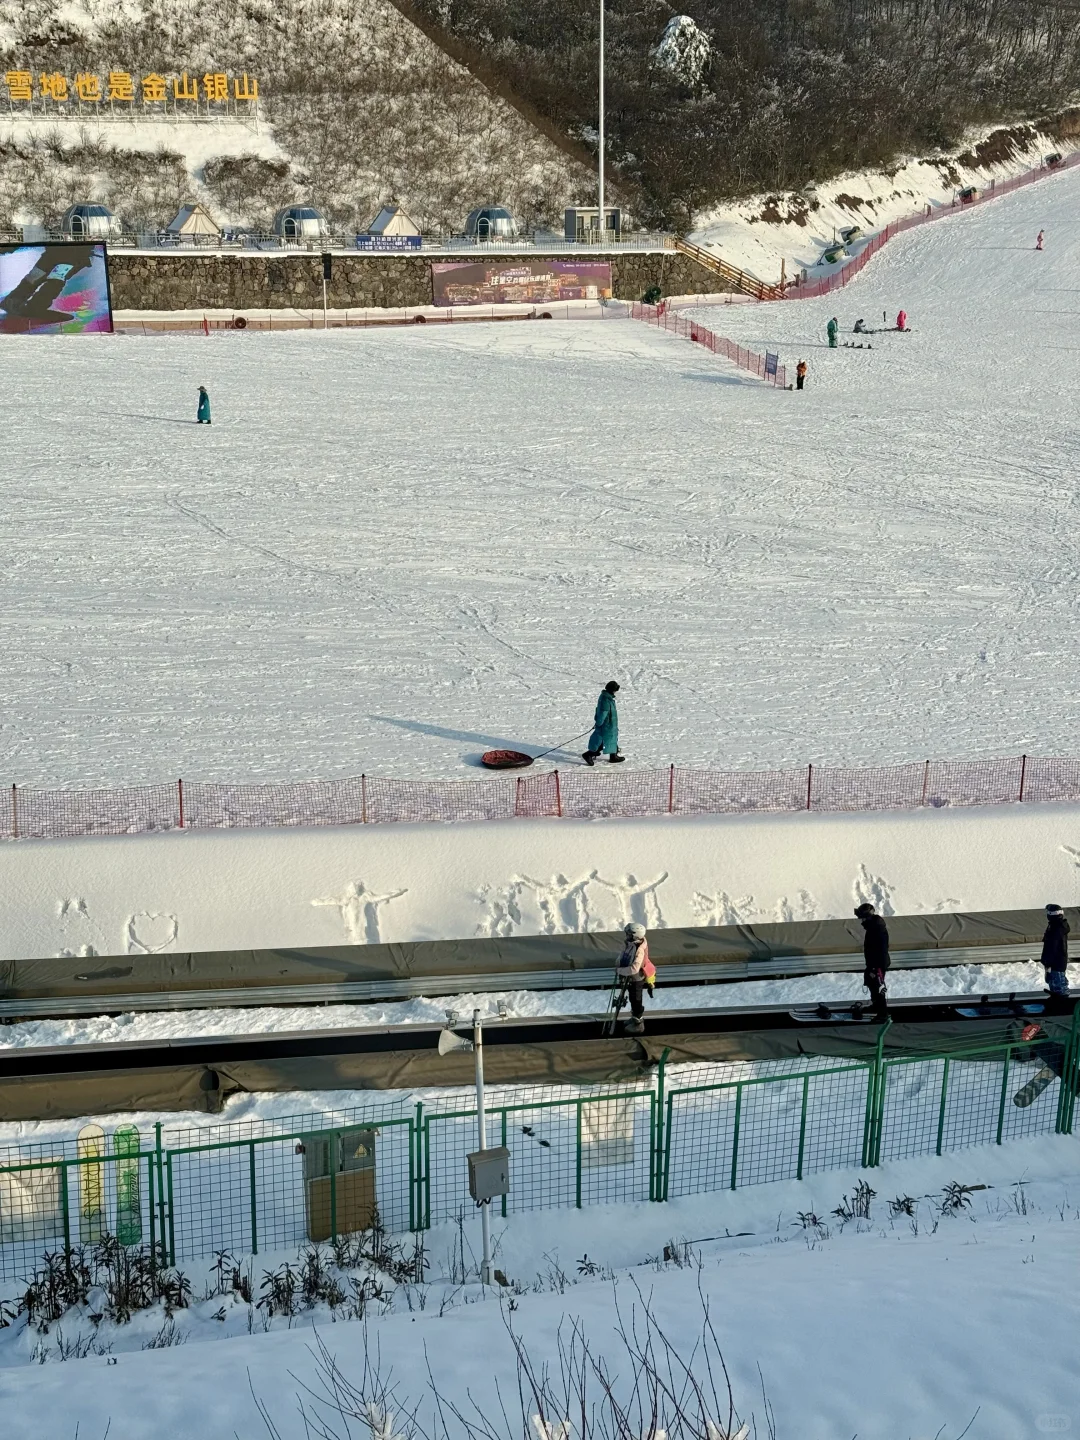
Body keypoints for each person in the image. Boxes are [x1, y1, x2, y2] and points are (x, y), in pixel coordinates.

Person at [615, 922, 655, 1033]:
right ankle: (634, 1018)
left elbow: (634, 969)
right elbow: (624, 953)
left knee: (636, 999)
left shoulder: (640, 950)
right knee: (633, 999)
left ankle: (638, 1024)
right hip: (630, 977)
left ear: (635, 935)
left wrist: (619, 971)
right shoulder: (632, 943)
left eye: (628, 934)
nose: (626, 936)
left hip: (636, 978)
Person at [855, 901, 890, 1016]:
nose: (862, 922)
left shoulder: (877, 929)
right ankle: (876, 1006)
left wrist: (876, 967)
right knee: (872, 984)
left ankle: (882, 1013)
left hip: (878, 964)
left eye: (863, 919)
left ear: (868, 918)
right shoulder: (873, 927)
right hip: (874, 963)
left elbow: (881, 949)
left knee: (877, 986)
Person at [583, 681, 624, 765]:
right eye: (615, 690)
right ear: (612, 690)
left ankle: (613, 756)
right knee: (603, 742)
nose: (616, 692)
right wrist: (598, 723)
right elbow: (602, 714)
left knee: (612, 740)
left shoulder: (606, 697)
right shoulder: (606, 699)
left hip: (610, 725)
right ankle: (588, 755)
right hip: (606, 726)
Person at [1041, 903, 1069, 996]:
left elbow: (1052, 948)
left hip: (1056, 965)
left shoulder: (1056, 929)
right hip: (1055, 964)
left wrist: (1048, 963)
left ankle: (1062, 1008)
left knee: (1059, 991)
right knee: (1056, 989)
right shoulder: (1055, 927)